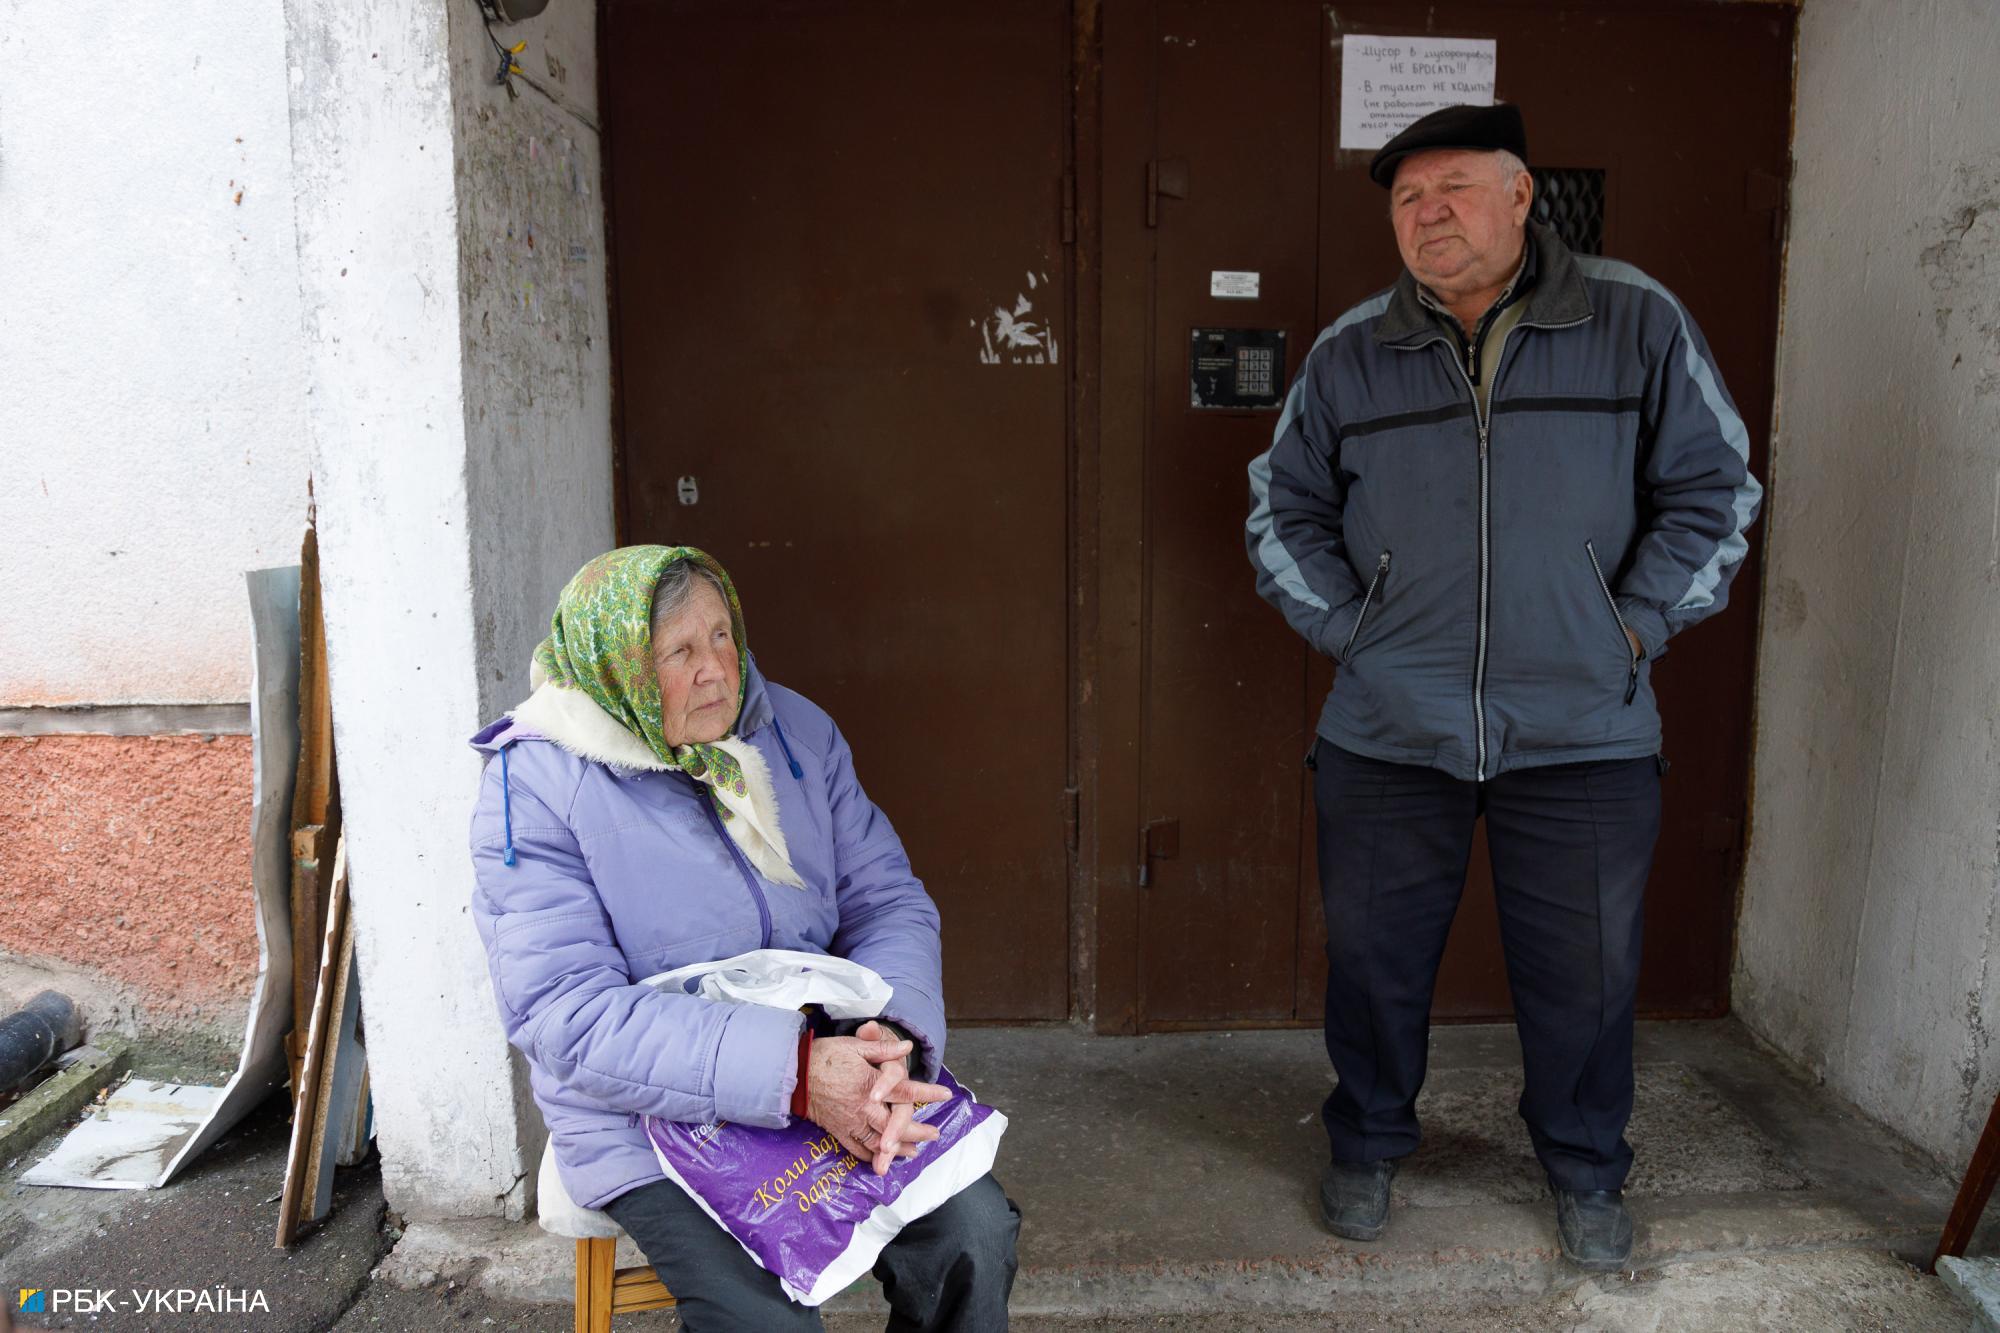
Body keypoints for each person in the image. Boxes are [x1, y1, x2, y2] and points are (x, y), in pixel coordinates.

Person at [1244, 103, 1762, 1270]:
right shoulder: (1349, 351)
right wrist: (1353, 631)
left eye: (1453, 190)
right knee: (1372, 964)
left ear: (1521, 196)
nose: (1427, 215)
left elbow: (1715, 489)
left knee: (1585, 976)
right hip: (1389, 724)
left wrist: (1631, 628)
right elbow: (1280, 506)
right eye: (1405, 198)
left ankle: (1582, 1166)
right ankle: (1366, 1141)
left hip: (1583, 727)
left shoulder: (1631, 319)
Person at [467, 545, 1019, 1331]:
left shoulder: (793, 732)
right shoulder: (535, 785)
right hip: (651, 1113)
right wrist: (792, 1073)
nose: (716, 671)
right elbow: (567, 1014)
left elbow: (887, 901)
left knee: (974, 1235)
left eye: (722, 635)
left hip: (829, 1064)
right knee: (763, 1322)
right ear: (619, 665)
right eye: (680, 651)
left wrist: (887, 1035)